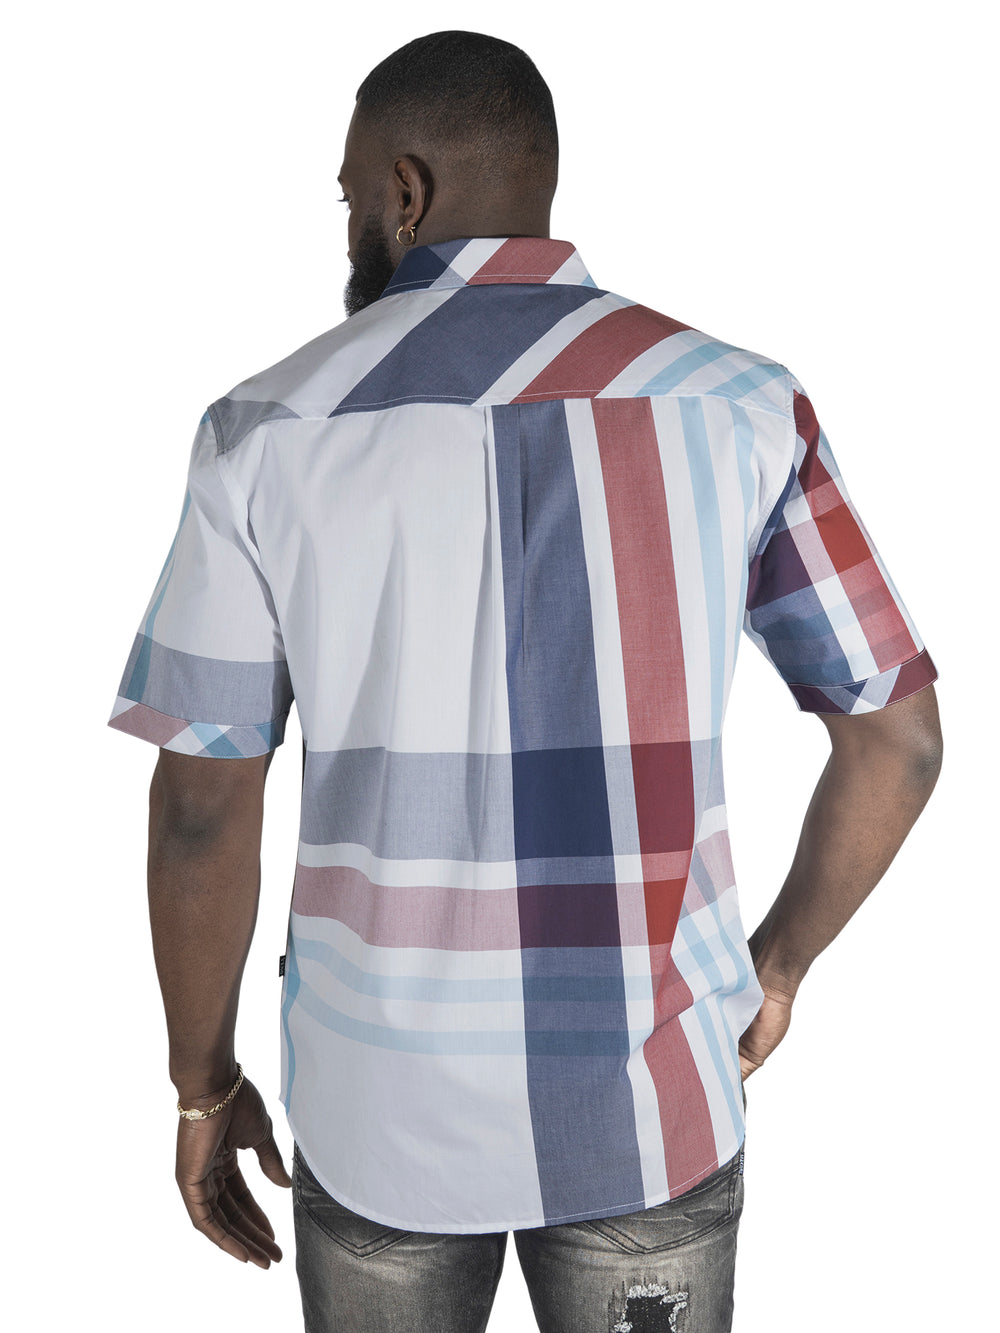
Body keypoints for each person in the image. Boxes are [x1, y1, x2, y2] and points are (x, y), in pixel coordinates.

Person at [108, 29, 942, 1333]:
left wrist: (202, 1083)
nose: (347, 220)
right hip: (647, 1100)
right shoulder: (739, 404)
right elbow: (900, 740)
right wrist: (773, 971)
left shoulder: (265, 431)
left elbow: (203, 810)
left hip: (378, 1113)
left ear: (405, 191)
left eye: (348, 192)